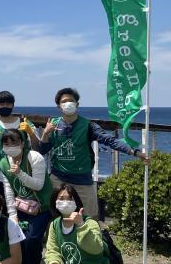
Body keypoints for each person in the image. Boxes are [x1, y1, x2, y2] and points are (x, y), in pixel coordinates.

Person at [38, 87, 149, 223]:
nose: (68, 104)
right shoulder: (53, 125)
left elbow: (109, 140)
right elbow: (42, 150)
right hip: (58, 177)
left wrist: (135, 152)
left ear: (77, 104)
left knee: (90, 217)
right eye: (64, 101)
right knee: (55, 215)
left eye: (71, 101)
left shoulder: (88, 125)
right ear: (59, 106)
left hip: (82, 179)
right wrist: (45, 133)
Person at [38, 184, 116, 264]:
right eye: (61, 198)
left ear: (77, 202)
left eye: (69, 198)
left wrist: (81, 225)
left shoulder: (89, 223)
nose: (65, 202)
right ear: (55, 202)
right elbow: (52, 250)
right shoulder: (55, 224)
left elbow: (96, 249)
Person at [0, 129, 54, 264]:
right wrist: (12, 215)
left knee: (32, 240)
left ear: (23, 143)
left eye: (15, 142)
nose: (10, 146)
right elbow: (8, 190)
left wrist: (20, 174)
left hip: (41, 207)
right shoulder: (3, 162)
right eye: (6, 143)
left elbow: (38, 184)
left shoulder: (34, 157)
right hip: (21, 208)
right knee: (18, 240)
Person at [0, 91, 39, 195]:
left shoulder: (25, 123)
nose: (5, 106)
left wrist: (31, 133)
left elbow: (37, 148)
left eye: (8, 104)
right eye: (1, 104)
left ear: (13, 106)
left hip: (22, 173)